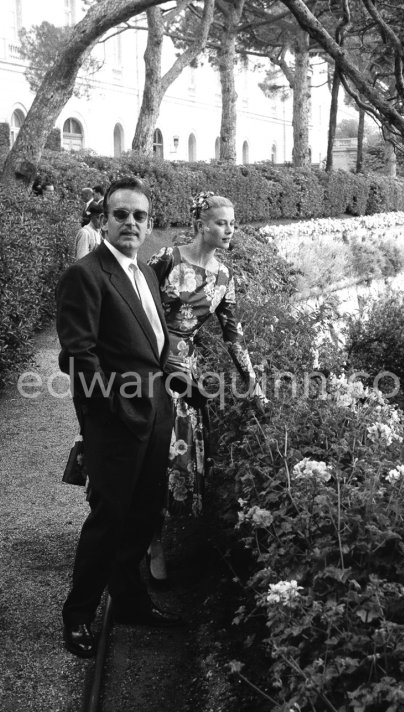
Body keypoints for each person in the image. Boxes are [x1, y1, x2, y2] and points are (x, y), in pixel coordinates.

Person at [56, 176, 179, 659]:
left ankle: (128, 602)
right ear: (104, 219)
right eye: (121, 214)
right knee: (108, 520)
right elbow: (78, 357)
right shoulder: (86, 275)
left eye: (139, 216)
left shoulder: (146, 272)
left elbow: (152, 345)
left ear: (150, 224)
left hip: (156, 413)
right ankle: (78, 616)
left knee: (145, 513)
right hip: (115, 421)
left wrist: (176, 381)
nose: (131, 222)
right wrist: (116, 411)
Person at [146, 191, 266, 585]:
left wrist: (255, 385)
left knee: (171, 460)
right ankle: (138, 535)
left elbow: (235, 337)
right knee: (142, 453)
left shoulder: (224, 276)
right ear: (201, 224)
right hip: (146, 366)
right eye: (221, 222)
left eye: (232, 222)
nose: (229, 229)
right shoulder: (166, 259)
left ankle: (155, 540)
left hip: (186, 376)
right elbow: (137, 308)